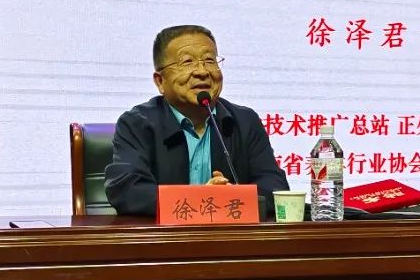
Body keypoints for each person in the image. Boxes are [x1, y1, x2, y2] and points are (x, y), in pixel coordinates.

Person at [105, 25, 289, 217]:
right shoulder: (137, 123)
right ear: (160, 81)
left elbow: (274, 186)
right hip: (167, 235)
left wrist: (232, 198)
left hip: (229, 234)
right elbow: (127, 190)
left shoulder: (244, 121)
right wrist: (201, 199)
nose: (202, 71)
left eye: (209, 60)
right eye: (187, 62)